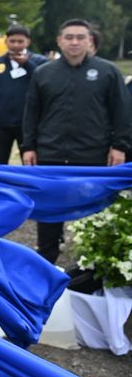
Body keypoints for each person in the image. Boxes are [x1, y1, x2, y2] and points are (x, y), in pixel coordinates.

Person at [22, 19, 132, 263]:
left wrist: (120, 146)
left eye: (80, 37)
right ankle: (47, 255)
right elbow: (31, 114)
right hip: (50, 154)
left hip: (92, 155)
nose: (74, 42)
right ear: (59, 41)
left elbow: (122, 114)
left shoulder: (108, 71)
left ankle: (94, 258)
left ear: (89, 41)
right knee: (50, 208)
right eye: (69, 37)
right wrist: (28, 146)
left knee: (95, 208)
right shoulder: (43, 73)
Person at [0, 25, 48, 164]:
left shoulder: (40, 63)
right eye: (12, 41)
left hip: (29, 123)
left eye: (20, 41)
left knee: (31, 161)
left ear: (28, 42)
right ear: (6, 41)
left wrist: (27, 64)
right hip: (1, 122)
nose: (16, 45)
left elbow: (46, 84)